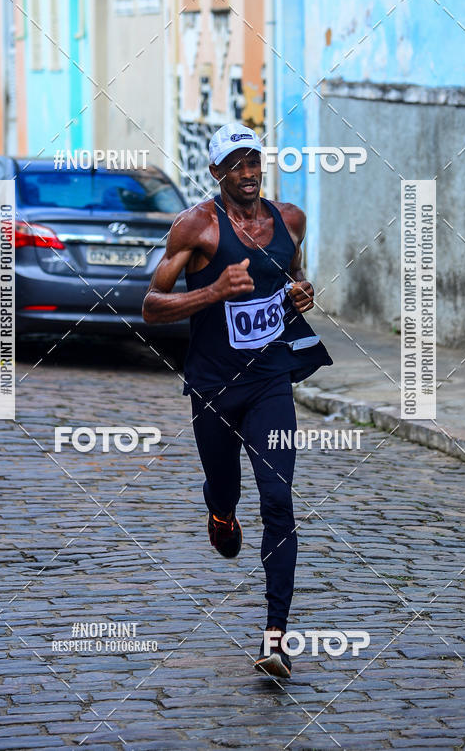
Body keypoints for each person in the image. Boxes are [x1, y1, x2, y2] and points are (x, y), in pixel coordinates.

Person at [143, 122, 332, 678]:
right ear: (216, 172)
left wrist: (300, 294)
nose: (249, 173)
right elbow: (152, 306)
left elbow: (291, 280)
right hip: (213, 386)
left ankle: (275, 639)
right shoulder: (195, 228)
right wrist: (213, 292)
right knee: (225, 487)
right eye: (237, 164)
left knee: (278, 502)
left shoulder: (290, 220)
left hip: (271, 380)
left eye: (255, 161)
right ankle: (220, 511)